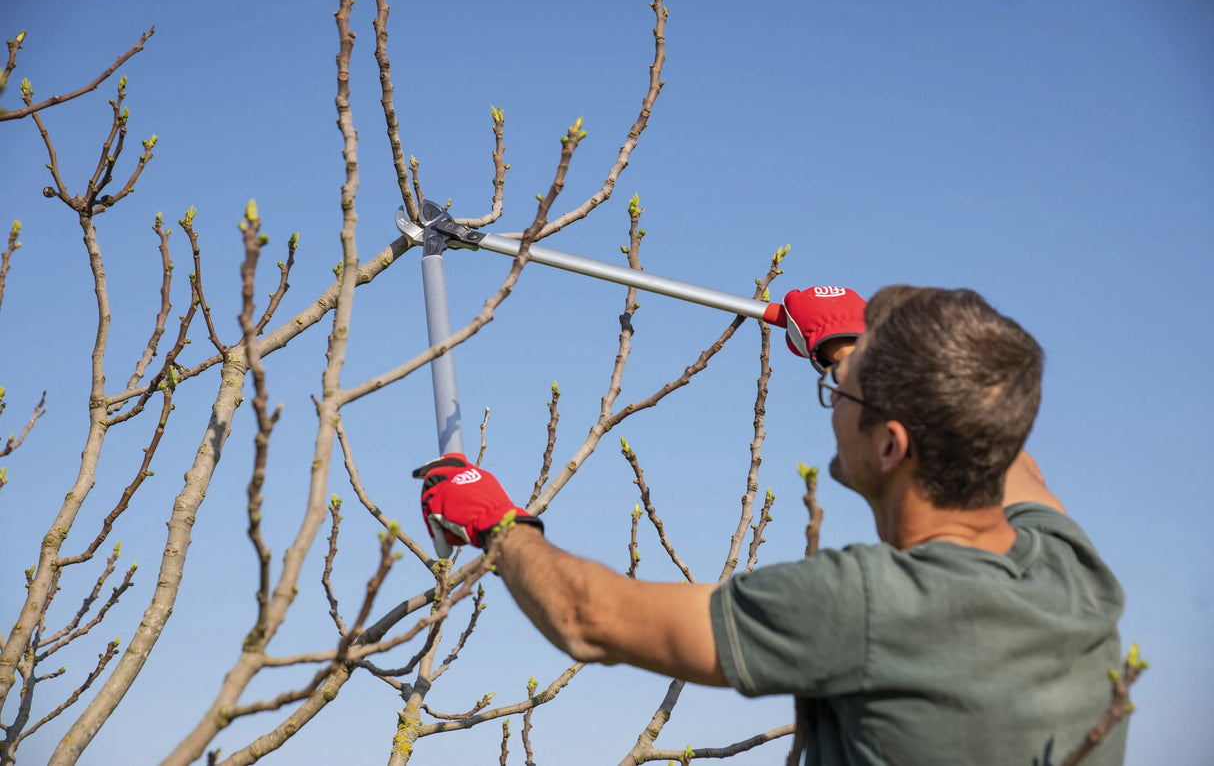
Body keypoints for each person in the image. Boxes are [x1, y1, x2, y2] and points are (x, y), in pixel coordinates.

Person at [413, 285, 1126, 765]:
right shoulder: (1070, 567)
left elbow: (586, 618)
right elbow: (992, 425)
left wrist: (499, 527)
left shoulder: (865, 606)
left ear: (890, 445)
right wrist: (857, 347)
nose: (835, 395)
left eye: (840, 391)